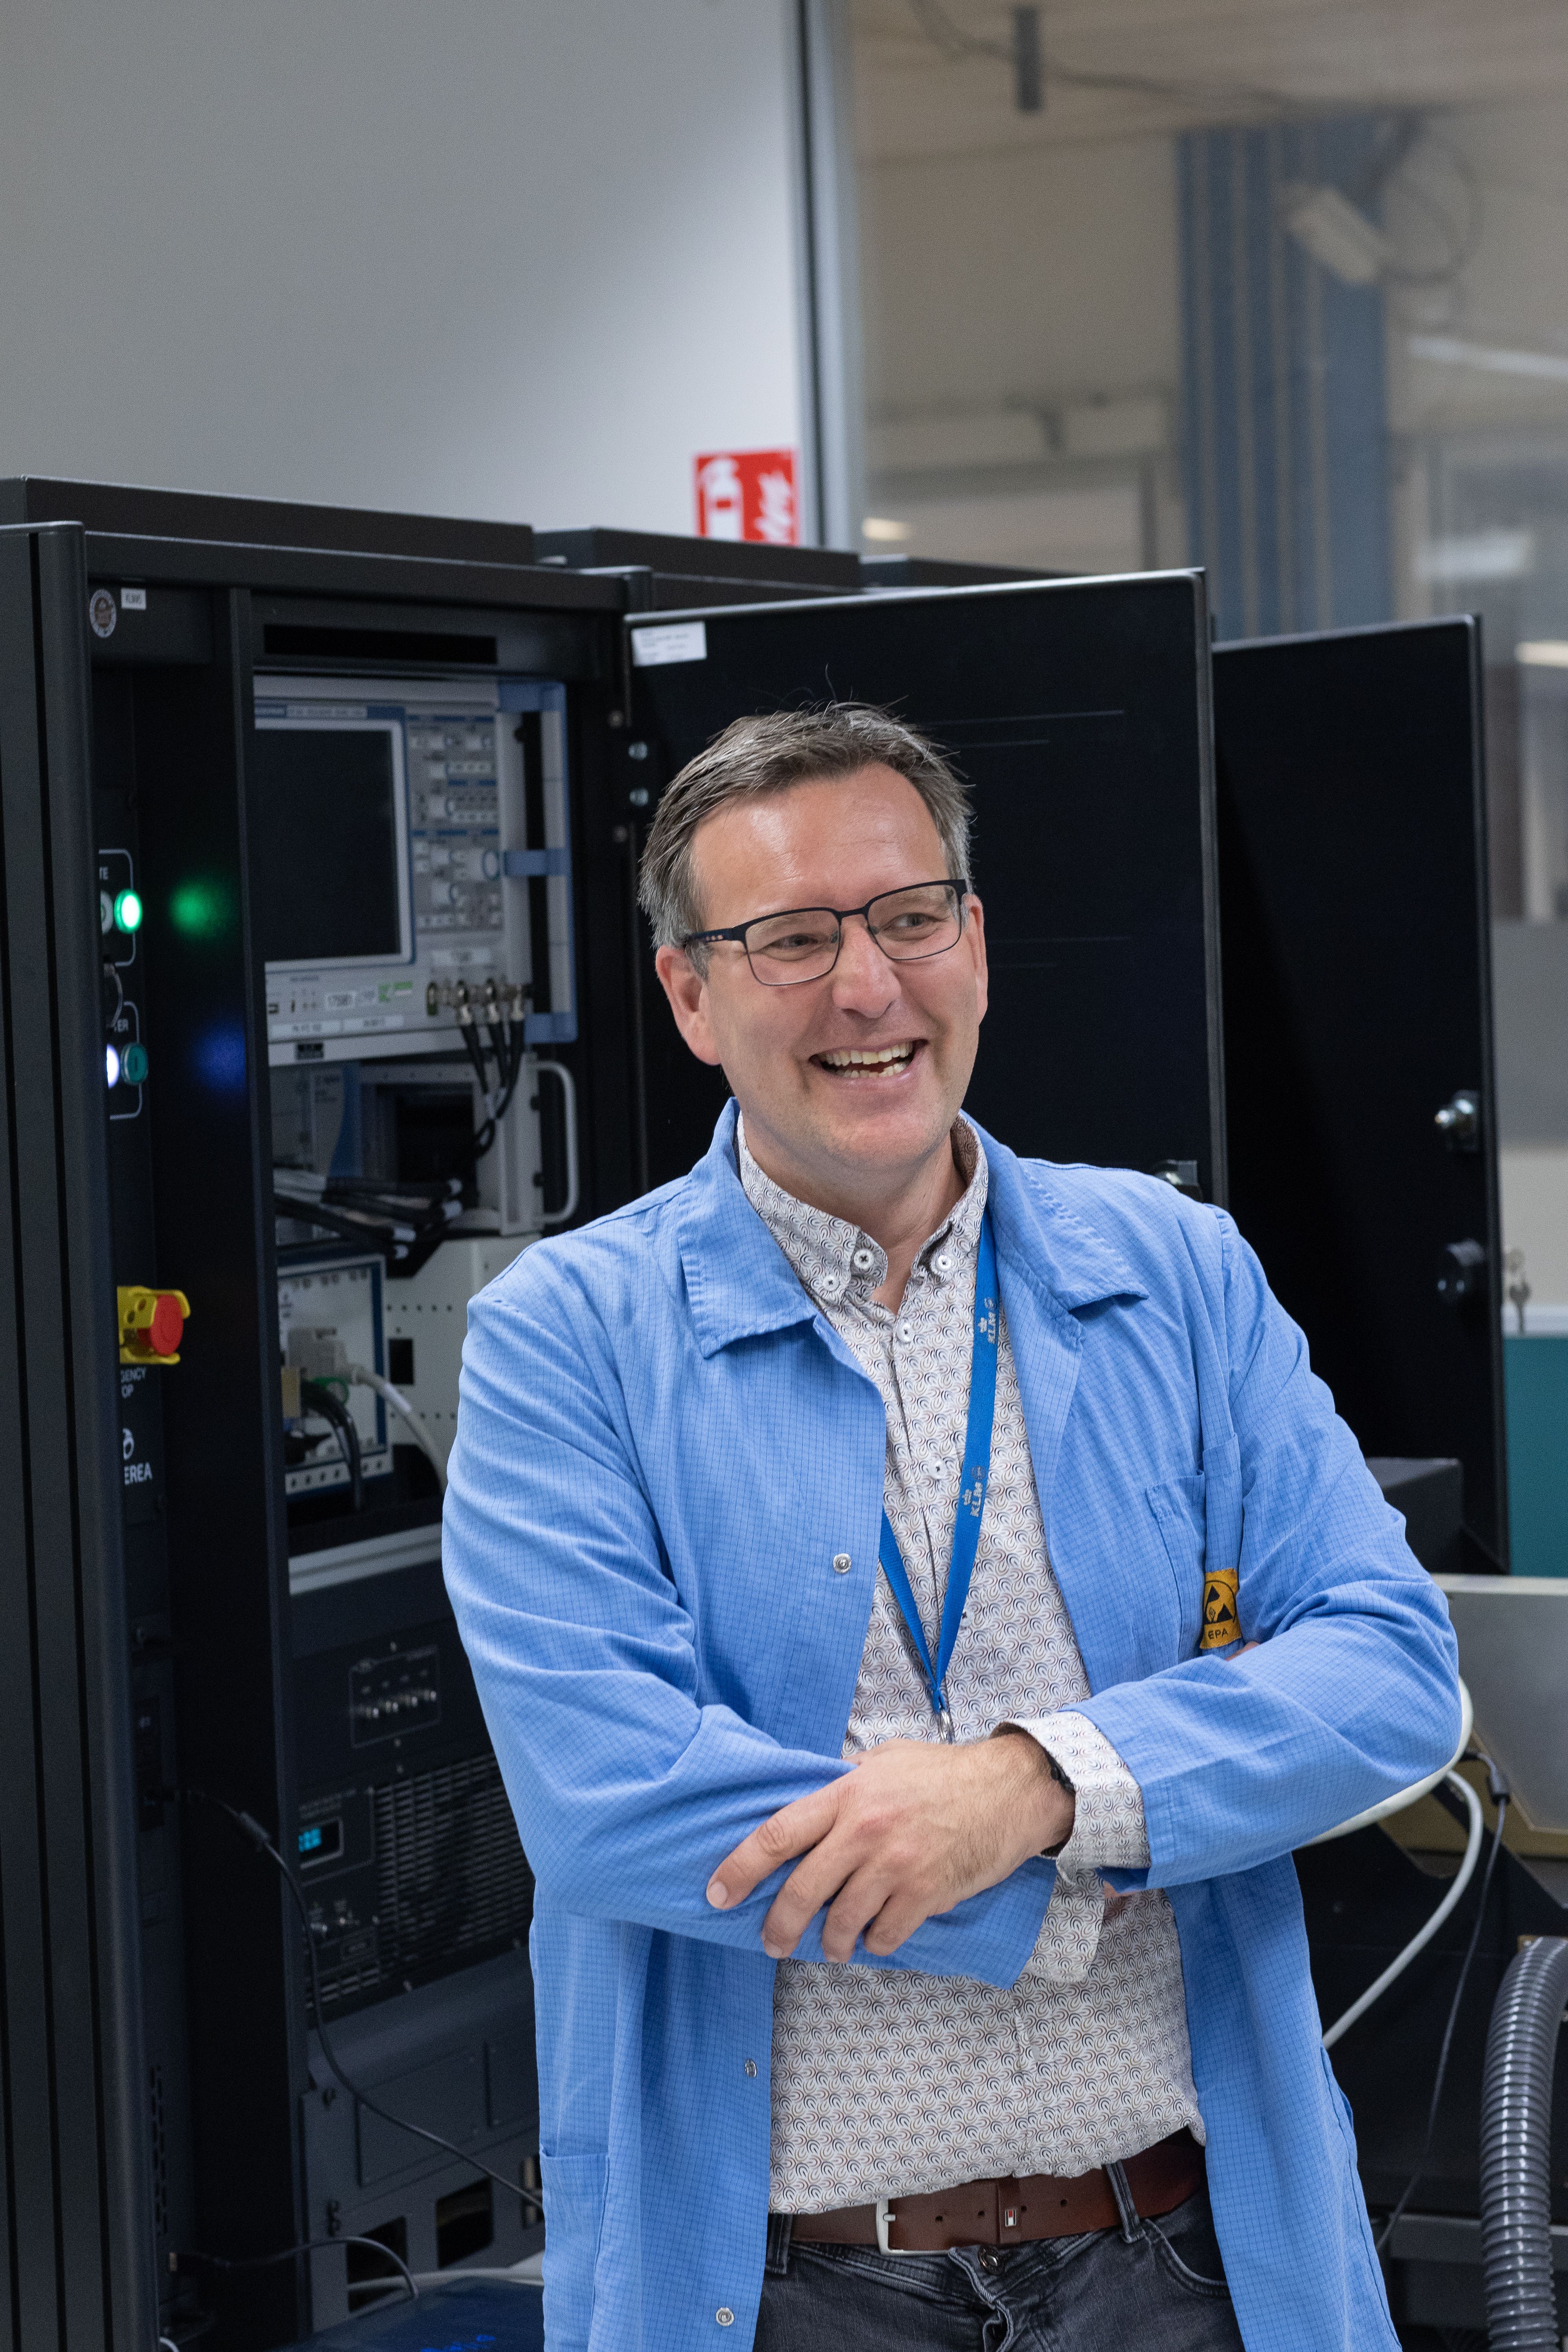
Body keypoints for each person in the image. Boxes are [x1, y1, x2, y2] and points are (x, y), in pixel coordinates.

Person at [443, 704, 1459, 2352]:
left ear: (973, 943)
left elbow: (1391, 1670)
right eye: (788, 940)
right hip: (786, 2291)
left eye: (909, 918)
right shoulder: (570, 1337)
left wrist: (1036, 1793)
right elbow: (610, 1803)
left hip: (1187, 2263)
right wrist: (1073, 1868)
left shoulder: (1173, 1271)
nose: (868, 989)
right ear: (690, 997)